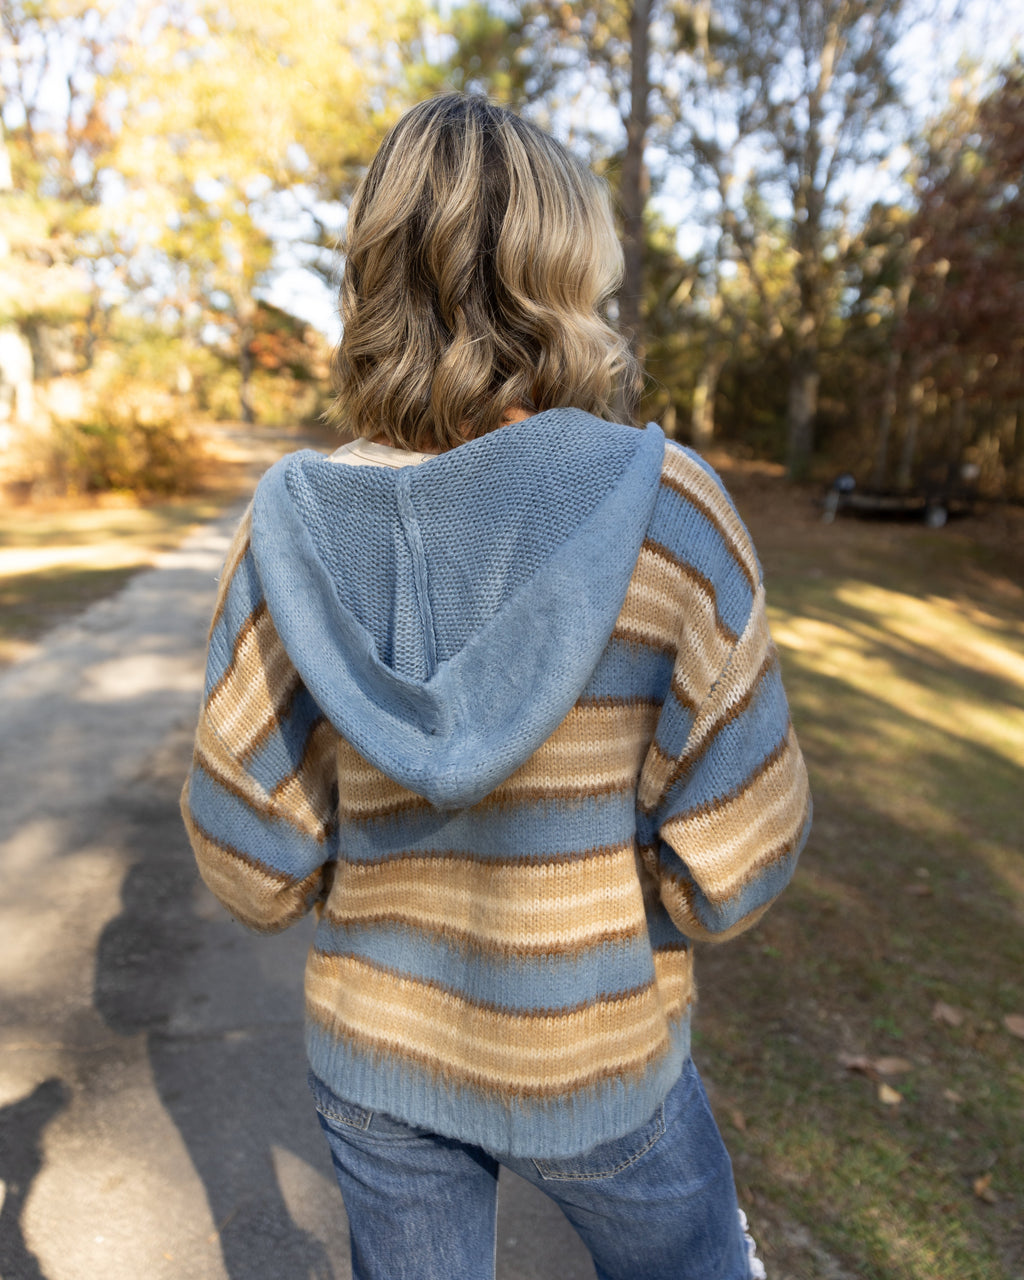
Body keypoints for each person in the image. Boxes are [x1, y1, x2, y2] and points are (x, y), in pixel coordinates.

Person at [181, 92, 811, 1280]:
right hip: (601, 1047)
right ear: (566, 267)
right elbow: (738, 852)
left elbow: (251, 859)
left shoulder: (287, 532)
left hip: (380, 1046)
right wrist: (623, 918)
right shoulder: (669, 510)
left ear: (373, 270)